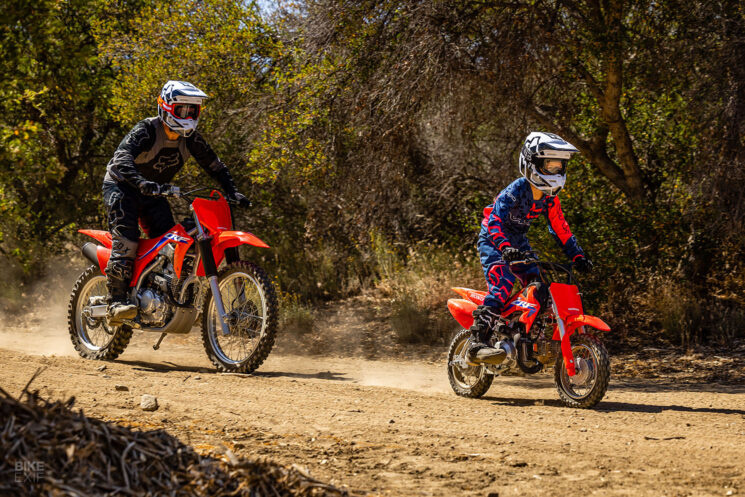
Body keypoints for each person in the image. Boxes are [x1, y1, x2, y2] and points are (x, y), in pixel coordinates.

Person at [102, 80, 250, 321]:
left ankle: (160, 293)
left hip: (155, 193)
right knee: (127, 240)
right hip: (121, 188)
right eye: (182, 109)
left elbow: (215, 165)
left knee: (170, 244)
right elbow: (121, 159)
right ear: (167, 107)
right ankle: (116, 300)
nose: (188, 115)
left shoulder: (191, 139)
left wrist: (232, 191)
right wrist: (141, 183)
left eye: (193, 110)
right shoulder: (146, 130)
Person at [468, 132, 593, 363]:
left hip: (518, 243)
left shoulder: (549, 197)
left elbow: (560, 227)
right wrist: (504, 248)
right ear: (532, 163)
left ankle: (521, 334)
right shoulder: (515, 191)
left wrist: (577, 255)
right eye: (550, 165)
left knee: (540, 288)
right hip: (494, 240)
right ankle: (476, 343)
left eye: (559, 166)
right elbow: (495, 221)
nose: (556, 171)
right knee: (502, 285)